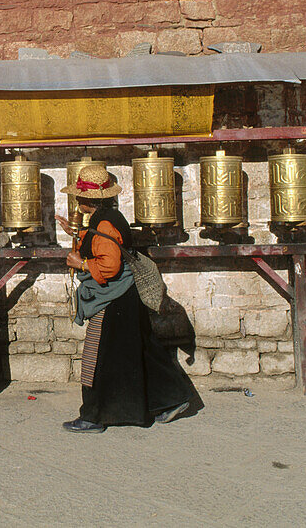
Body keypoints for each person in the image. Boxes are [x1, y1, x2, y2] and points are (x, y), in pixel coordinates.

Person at [55, 165, 191, 433]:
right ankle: (172, 399)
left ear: (87, 200)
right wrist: (76, 233)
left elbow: (110, 264)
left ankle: (92, 416)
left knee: (95, 356)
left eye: (80, 195)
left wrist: (80, 263)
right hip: (127, 298)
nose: (77, 200)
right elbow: (102, 243)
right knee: (139, 349)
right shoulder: (109, 218)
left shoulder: (103, 222)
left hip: (112, 300)